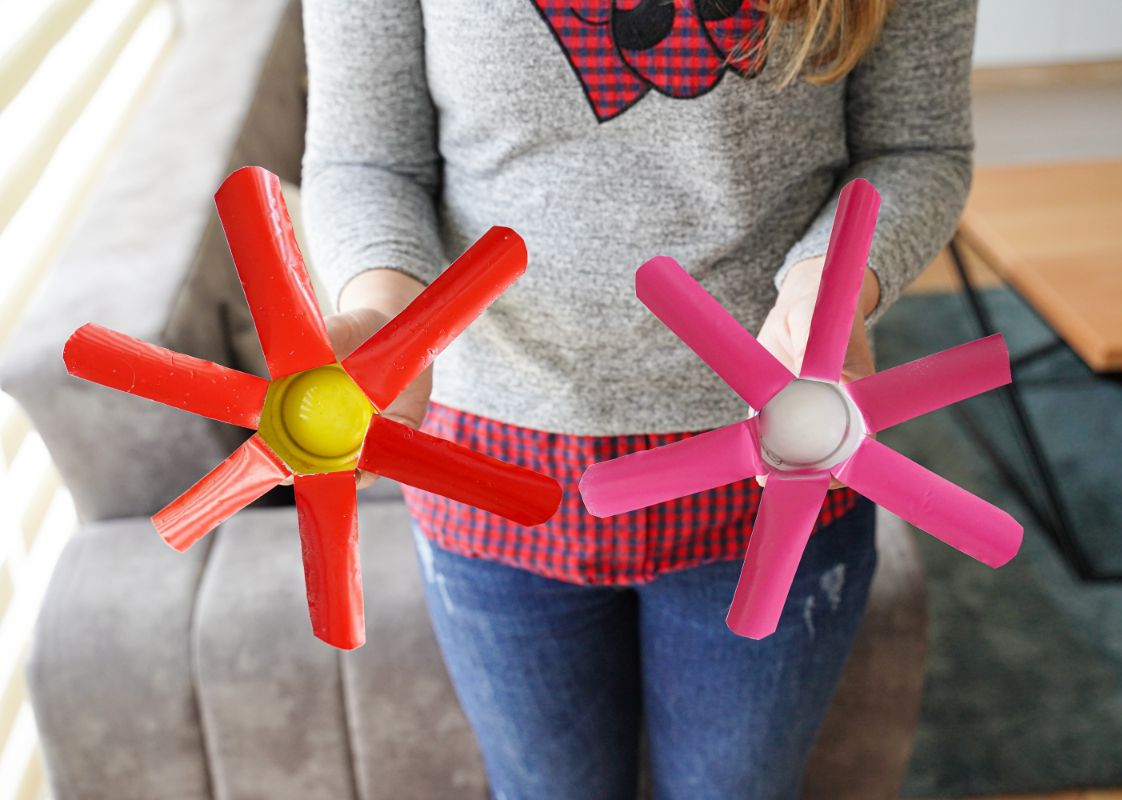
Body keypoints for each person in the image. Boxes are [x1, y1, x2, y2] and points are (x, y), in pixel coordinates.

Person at [301, 0, 975, 797]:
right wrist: (390, 319)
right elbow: (367, 157)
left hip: (774, 468)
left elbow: (915, 145)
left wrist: (823, 291)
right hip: (488, 465)